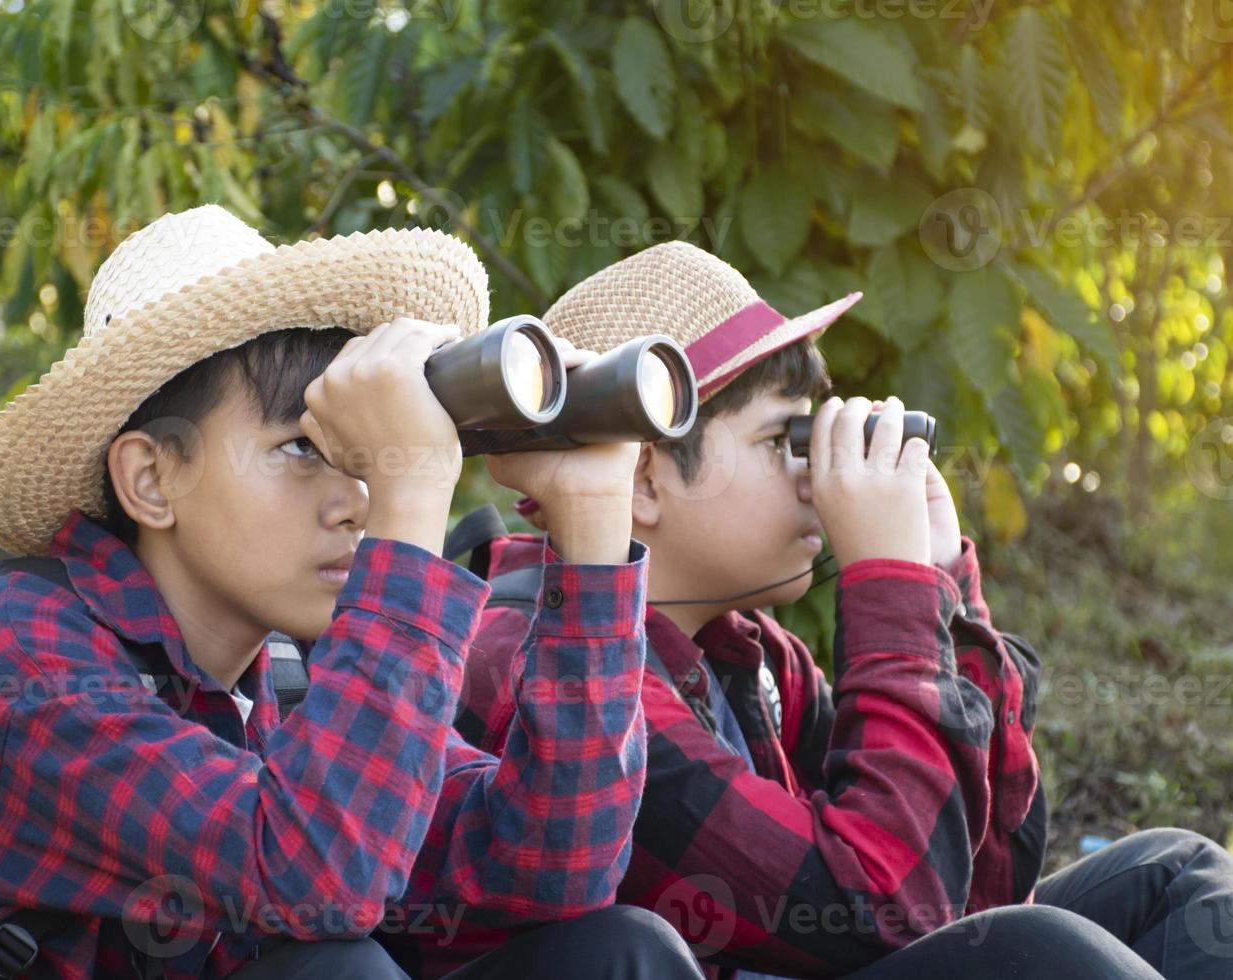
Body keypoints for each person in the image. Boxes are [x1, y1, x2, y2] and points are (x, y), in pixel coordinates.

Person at [0, 205, 702, 980]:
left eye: (364, 457)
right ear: (152, 480)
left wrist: (590, 519)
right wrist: (414, 490)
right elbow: (319, 882)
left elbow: (552, 872)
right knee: (336, 969)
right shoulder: (23, 654)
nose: (357, 500)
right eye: (302, 449)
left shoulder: (279, 675)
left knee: (620, 950)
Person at [455, 241, 1233, 978]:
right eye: (781, 439)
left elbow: (982, 882)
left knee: (1171, 877)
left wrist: (942, 589)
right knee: (1042, 948)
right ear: (646, 481)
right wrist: (891, 590)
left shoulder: (751, 658)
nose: (815, 475)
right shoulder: (553, 666)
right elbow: (883, 906)